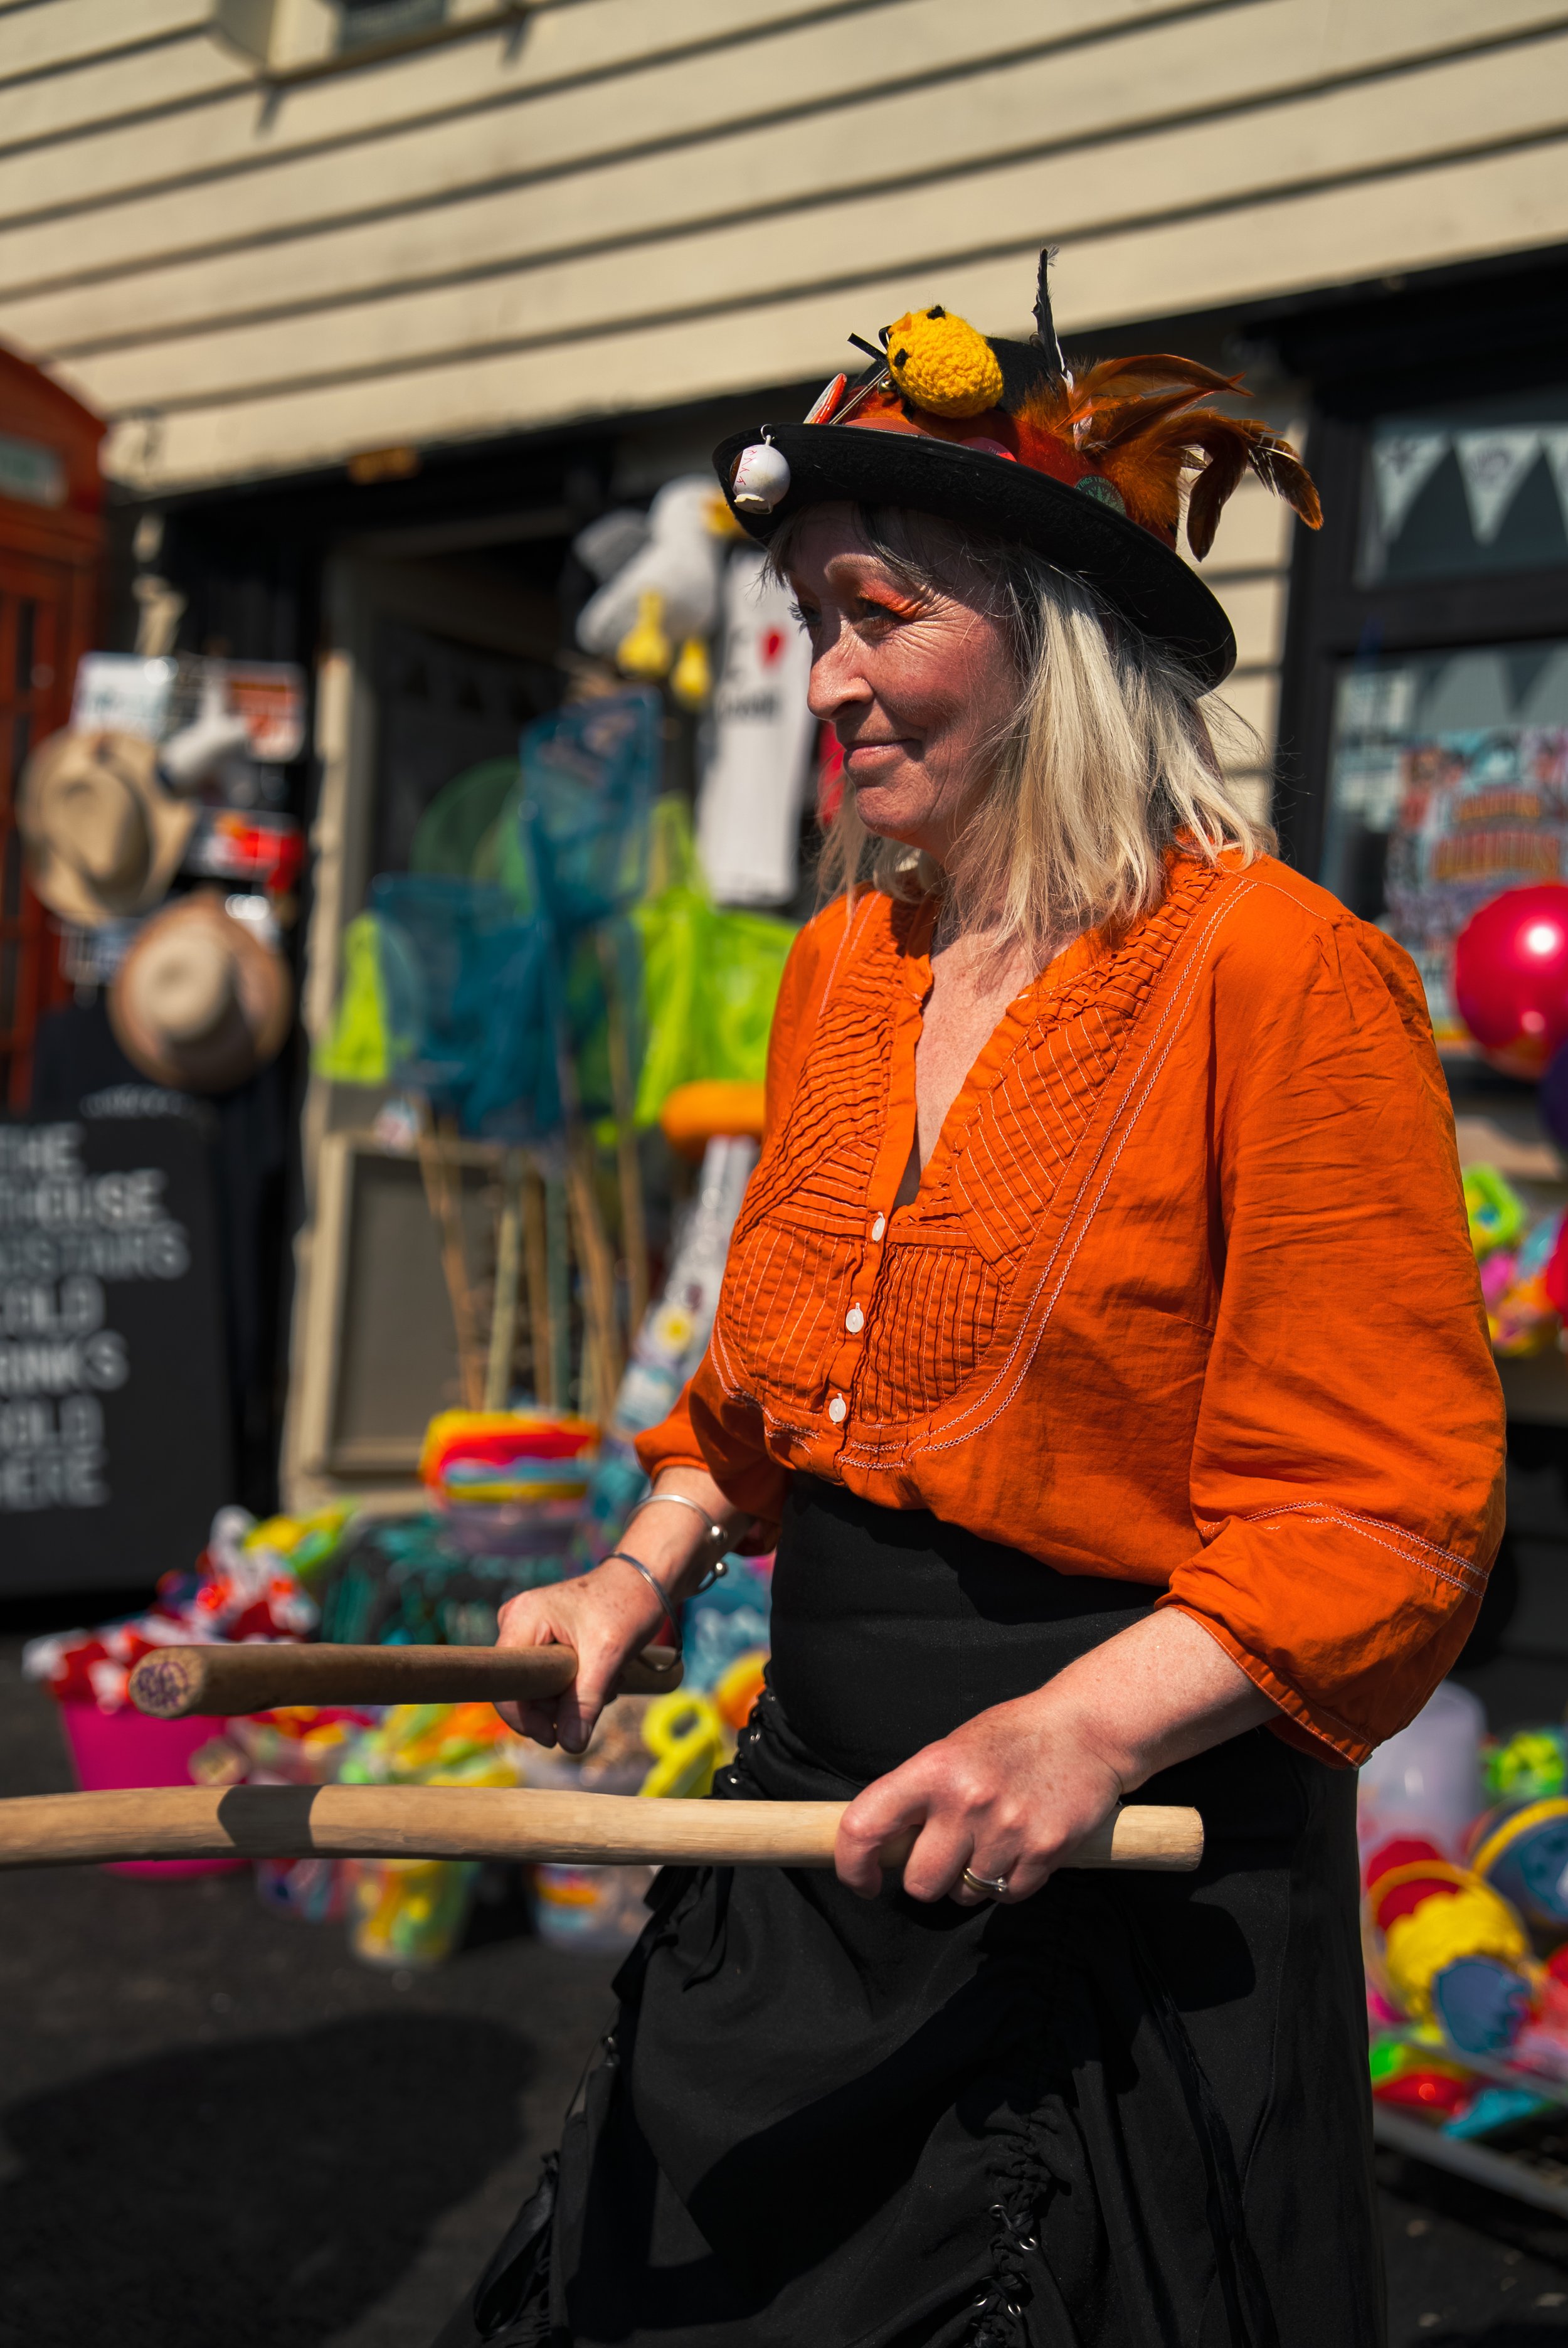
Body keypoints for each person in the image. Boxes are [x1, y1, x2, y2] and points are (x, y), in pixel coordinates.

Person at [436, 255, 1505, 2348]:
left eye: (877, 612)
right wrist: (629, 1576)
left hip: (1126, 1872)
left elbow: (1388, 1510)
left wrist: (1075, 1729)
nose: (823, 677)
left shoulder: (1276, 975)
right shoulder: (844, 973)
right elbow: (754, 1400)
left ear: (1055, 643)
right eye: (806, 616)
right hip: (813, 1842)